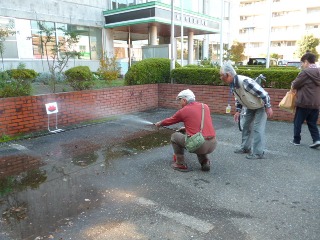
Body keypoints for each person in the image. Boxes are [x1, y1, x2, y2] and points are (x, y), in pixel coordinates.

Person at [219, 62, 273, 159]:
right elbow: (239, 98)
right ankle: (245, 148)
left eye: (222, 75)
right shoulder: (233, 84)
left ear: (228, 75)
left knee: (258, 129)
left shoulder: (244, 82)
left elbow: (264, 94)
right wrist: (238, 111)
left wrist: (268, 107)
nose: (221, 78)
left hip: (261, 107)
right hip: (250, 107)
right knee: (246, 126)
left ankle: (258, 153)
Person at [154, 89, 217, 172]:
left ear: (184, 100)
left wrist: (160, 123)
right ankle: (205, 161)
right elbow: (202, 123)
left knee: (174, 136)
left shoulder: (184, 110)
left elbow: (170, 120)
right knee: (198, 138)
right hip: (213, 144)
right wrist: (185, 129)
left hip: (200, 145)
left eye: (180, 101)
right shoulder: (204, 106)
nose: (179, 103)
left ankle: (180, 164)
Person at [290, 52, 320, 148]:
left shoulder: (305, 73)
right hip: (316, 102)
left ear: (306, 62)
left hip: (304, 102)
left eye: (302, 63)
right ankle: (317, 139)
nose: (302, 65)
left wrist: (293, 83)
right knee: (312, 122)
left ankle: (296, 140)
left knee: (297, 122)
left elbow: (295, 85)